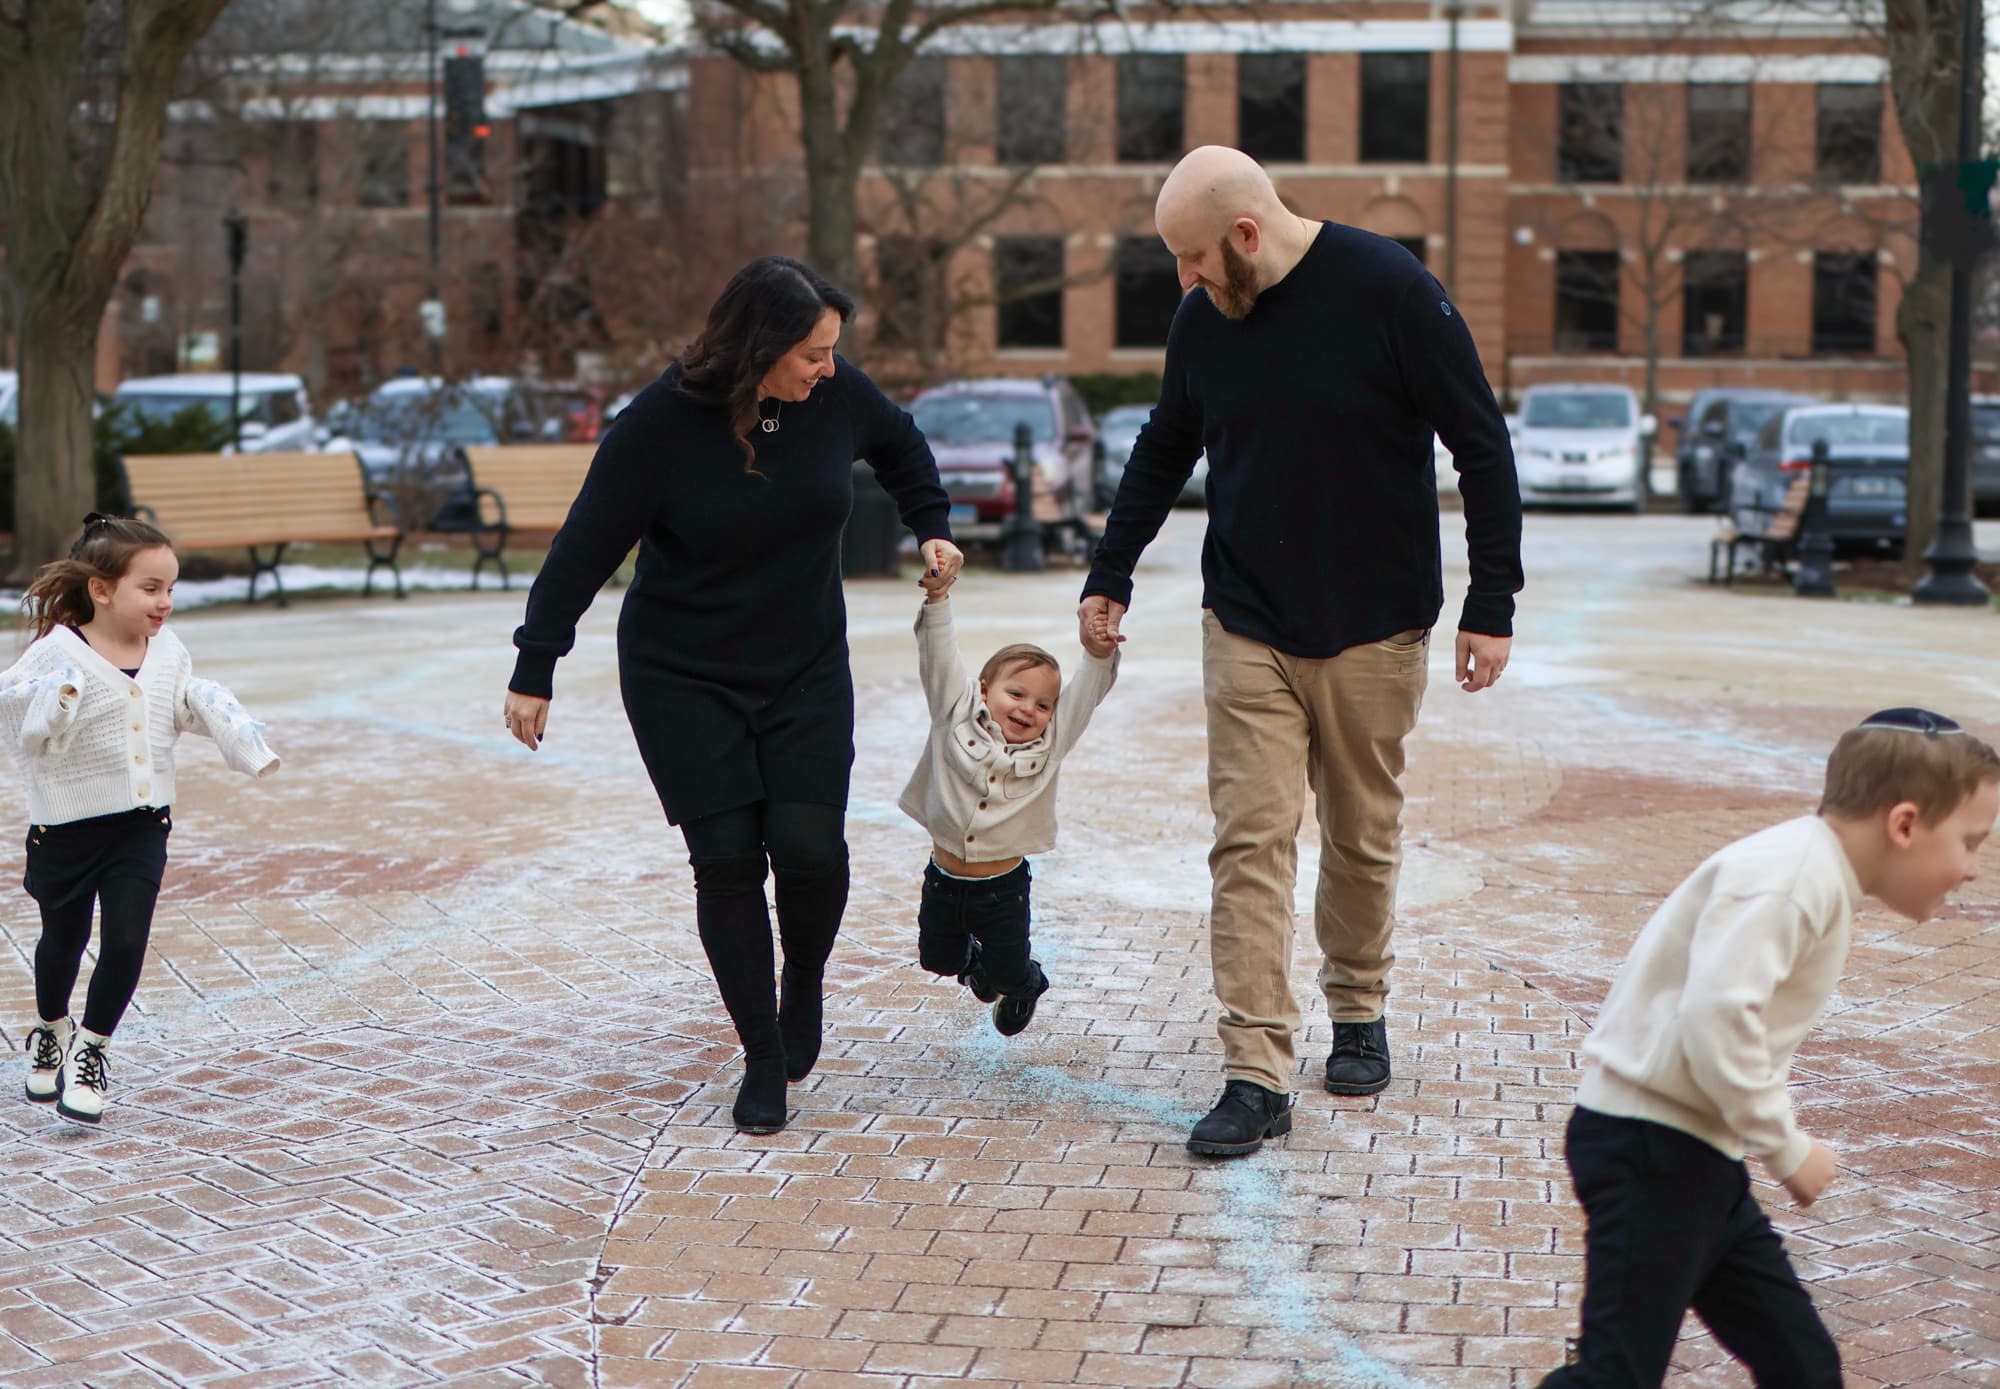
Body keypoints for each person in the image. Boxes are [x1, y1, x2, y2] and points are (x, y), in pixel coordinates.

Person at [1076, 145, 1525, 1157]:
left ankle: (1357, 1007)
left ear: (1244, 233)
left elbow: (1479, 443)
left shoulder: (1391, 292)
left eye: (1191, 258)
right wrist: (1110, 571)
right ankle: (1253, 1072)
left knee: (1361, 831)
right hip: (1244, 622)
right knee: (1249, 843)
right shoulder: (1203, 320)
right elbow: (1164, 443)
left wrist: (1490, 600)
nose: (1182, 282)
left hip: (1375, 621)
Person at [502, 256, 962, 1136]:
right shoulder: (658, 427)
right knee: (726, 857)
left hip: (805, 664)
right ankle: (760, 1054)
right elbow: (584, 546)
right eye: (812, 353)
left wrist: (930, 524)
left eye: (832, 352)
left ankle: (806, 982)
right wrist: (537, 663)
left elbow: (901, 445)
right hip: (684, 671)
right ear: (759, 348)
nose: (827, 368)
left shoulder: (836, 395)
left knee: (809, 846)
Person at [1539, 708, 2000, 1387]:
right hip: (1652, 1149)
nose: (1972, 868)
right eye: (1971, 841)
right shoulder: (1792, 880)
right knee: (1615, 1375)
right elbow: (1716, 1016)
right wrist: (1787, 1146)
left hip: (1697, 1155)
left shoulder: (1812, 870)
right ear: (1903, 824)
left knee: (1805, 1366)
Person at [3, 514, 279, 1126]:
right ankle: (51, 1027)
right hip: (65, 831)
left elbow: (174, 706)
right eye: (150, 588)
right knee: (62, 946)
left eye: (171, 588)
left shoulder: (170, 652)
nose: (166, 603)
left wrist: (214, 712)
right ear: (101, 590)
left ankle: (93, 1051)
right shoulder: (55, 650)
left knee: (126, 940)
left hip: (142, 823)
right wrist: (54, 704)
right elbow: (18, 712)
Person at [898, 585, 1118, 1035]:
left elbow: (1088, 693)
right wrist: (938, 599)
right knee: (936, 958)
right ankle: (975, 967)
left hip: (1003, 890)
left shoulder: (1051, 746)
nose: (1027, 709)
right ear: (983, 689)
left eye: (1042, 705)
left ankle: (1026, 984)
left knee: (1008, 972)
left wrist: (1097, 654)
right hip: (943, 880)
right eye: (1016, 694)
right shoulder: (953, 714)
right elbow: (938, 654)